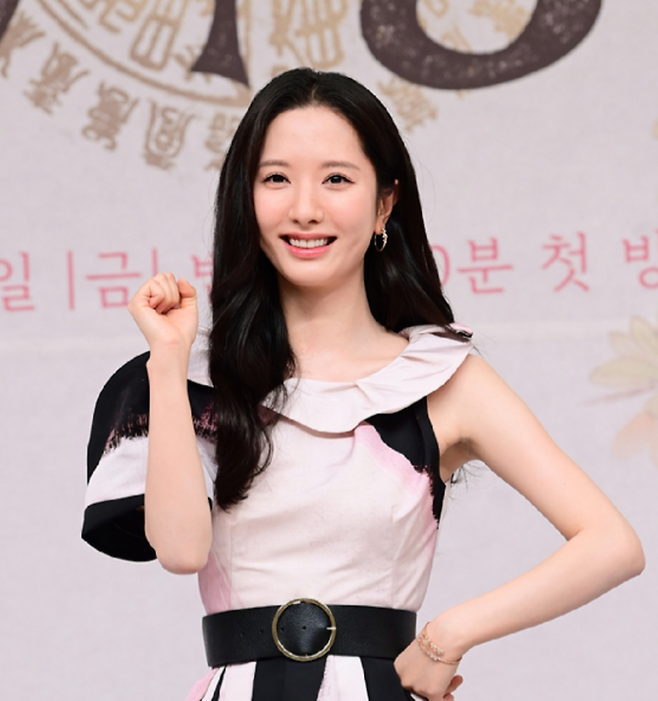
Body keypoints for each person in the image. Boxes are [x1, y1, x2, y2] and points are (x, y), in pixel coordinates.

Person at [82, 68, 644, 701]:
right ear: (245, 198)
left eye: (336, 179)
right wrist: (167, 361)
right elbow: (181, 551)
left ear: (384, 203)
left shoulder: (440, 379)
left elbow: (612, 544)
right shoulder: (193, 379)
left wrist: (450, 633)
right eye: (276, 178)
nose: (304, 208)